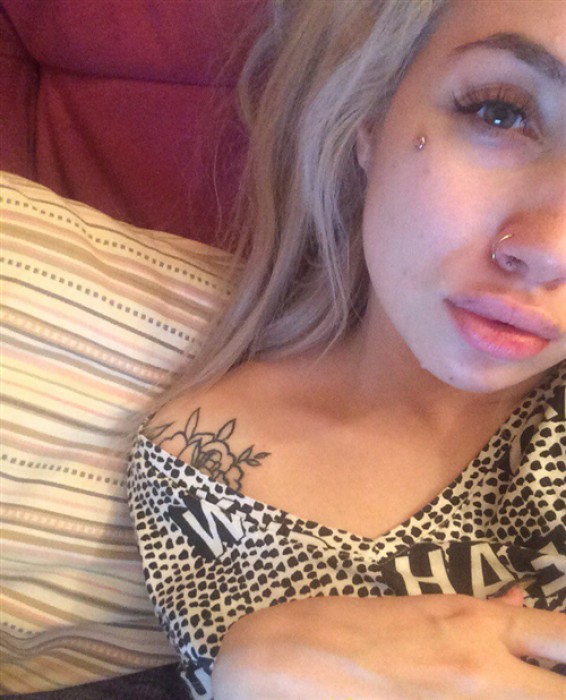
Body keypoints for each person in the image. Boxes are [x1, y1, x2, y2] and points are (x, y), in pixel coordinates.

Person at [127, 0, 566, 697]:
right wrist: (254, 676)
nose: (549, 252)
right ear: (370, 118)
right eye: (499, 113)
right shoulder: (208, 469)